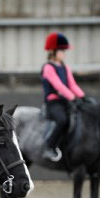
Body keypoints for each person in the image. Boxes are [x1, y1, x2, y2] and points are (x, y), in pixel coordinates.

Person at [40, 32, 87, 162]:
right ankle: (49, 147)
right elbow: (59, 86)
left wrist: (83, 97)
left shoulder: (65, 67)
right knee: (62, 120)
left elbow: (72, 84)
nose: (64, 53)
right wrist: (72, 98)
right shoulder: (48, 68)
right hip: (53, 103)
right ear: (53, 51)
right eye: (61, 50)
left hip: (65, 101)